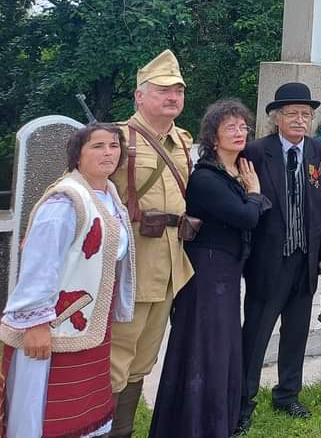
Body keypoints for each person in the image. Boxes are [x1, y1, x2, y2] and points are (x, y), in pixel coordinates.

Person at [0, 124, 135, 438]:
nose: (108, 153)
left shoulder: (108, 195)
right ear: (78, 155)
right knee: (44, 408)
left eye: (114, 146)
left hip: (89, 324)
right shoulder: (65, 201)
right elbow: (39, 265)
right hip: (54, 323)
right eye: (97, 146)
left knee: (80, 406)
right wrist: (34, 324)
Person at [148, 100, 269, 438]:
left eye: (243, 126)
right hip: (206, 271)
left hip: (228, 270)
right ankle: (192, 426)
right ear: (213, 136)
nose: (239, 131)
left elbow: (257, 216)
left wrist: (253, 199)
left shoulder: (239, 171)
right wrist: (255, 195)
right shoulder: (205, 177)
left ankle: (219, 422)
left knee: (224, 345)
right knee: (204, 346)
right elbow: (247, 217)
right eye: (230, 126)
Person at [237, 83, 321, 431]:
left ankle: (287, 394)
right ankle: (242, 402)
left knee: (296, 332)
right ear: (276, 118)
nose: (299, 120)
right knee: (257, 334)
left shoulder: (320, 152)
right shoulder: (254, 152)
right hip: (268, 260)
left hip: (305, 260)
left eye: (305, 114)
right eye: (292, 113)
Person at [109, 49, 194, 438]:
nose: (172, 97)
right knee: (117, 355)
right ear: (139, 96)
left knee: (144, 356)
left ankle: (122, 430)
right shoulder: (115, 139)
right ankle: (102, 429)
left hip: (170, 263)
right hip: (131, 265)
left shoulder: (182, 139)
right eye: (163, 90)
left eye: (178, 90)